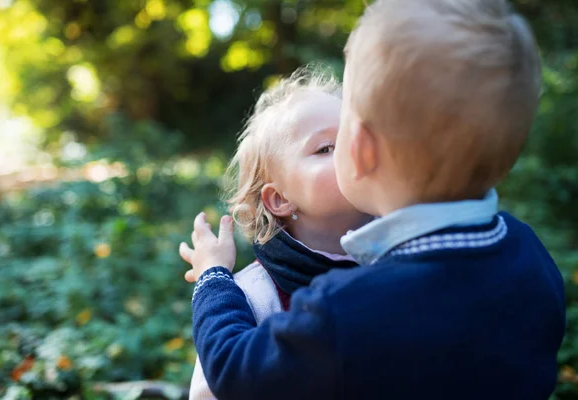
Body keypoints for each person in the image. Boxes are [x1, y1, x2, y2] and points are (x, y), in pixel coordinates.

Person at [181, 1, 566, 399]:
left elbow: (231, 368)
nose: (335, 145)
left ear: (361, 149)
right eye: (322, 146)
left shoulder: (345, 311)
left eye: (341, 131)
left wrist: (212, 274)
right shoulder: (530, 255)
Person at [180, 69, 372, 400]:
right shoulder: (257, 295)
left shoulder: (408, 257)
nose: (351, 150)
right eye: (326, 148)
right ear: (279, 199)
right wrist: (214, 275)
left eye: (357, 135)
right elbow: (211, 390)